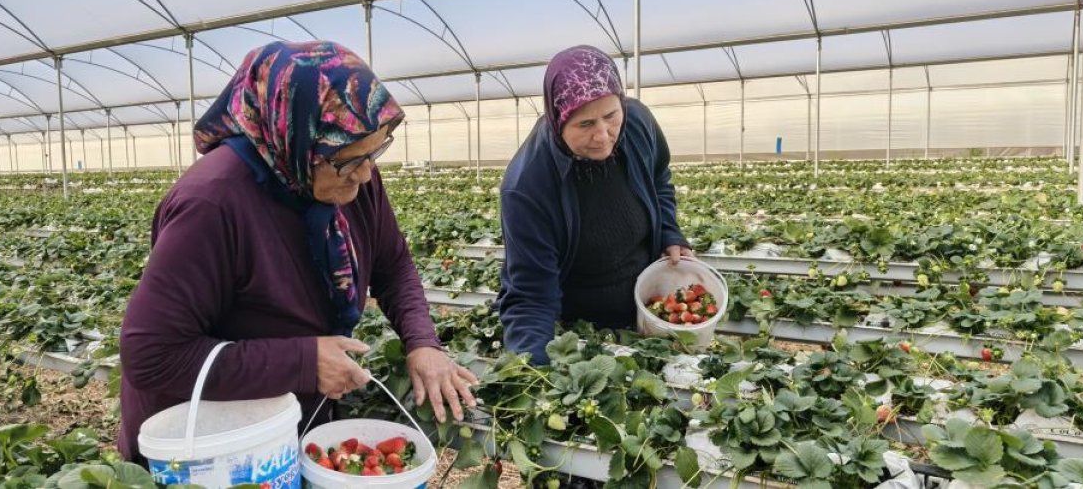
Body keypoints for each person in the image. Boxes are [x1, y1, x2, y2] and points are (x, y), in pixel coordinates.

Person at [117, 41, 478, 464]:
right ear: (296, 140)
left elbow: (392, 263)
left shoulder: (351, 172)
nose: (365, 173)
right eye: (348, 160)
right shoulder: (211, 204)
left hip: (284, 423)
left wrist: (422, 342)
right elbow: (152, 355)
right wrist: (302, 361)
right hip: (206, 445)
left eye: (375, 152)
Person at [496, 45, 693, 365]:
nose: (603, 135)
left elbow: (659, 177)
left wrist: (670, 231)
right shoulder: (527, 186)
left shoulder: (638, 122)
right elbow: (531, 297)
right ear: (558, 120)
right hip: (580, 329)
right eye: (585, 124)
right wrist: (534, 372)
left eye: (611, 116)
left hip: (648, 303)